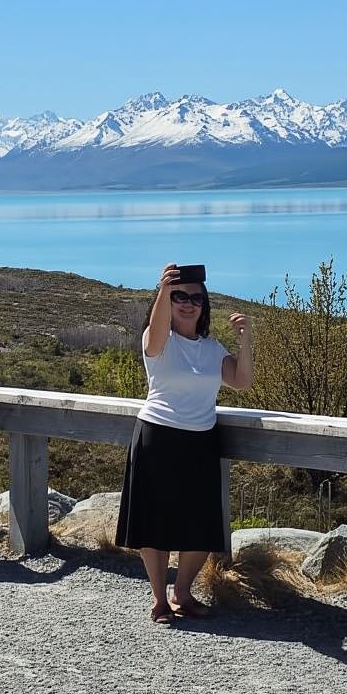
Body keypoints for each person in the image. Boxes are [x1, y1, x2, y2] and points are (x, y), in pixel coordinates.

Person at [116, 263, 254, 623]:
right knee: (154, 522)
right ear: (167, 300)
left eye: (196, 298)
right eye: (180, 296)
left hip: (201, 441)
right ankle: (158, 599)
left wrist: (244, 339)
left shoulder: (212, 349)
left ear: (204, 305)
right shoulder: (158, 341)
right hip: (157, 437)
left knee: (200, 524)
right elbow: (157, 329)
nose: (188, 303)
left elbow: (241, 381)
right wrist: (164, 288)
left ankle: (183, 593)